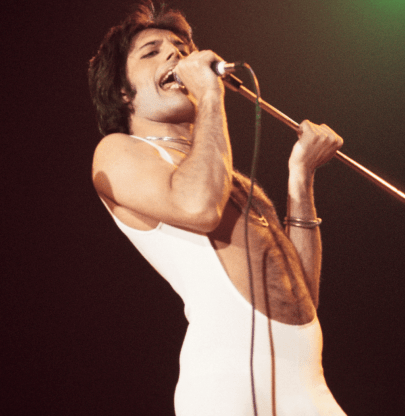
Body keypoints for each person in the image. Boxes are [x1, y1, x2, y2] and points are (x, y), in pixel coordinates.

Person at [88, 2, 346, 415]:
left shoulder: (229, 178)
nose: (176, 54)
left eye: (181, 46)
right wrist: (210, 93)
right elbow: (198, 208)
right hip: (227, 384)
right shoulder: (118, 152)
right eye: (152, 51)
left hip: (307, 384)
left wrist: (300, 180)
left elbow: (302, 297)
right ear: (122, 91)